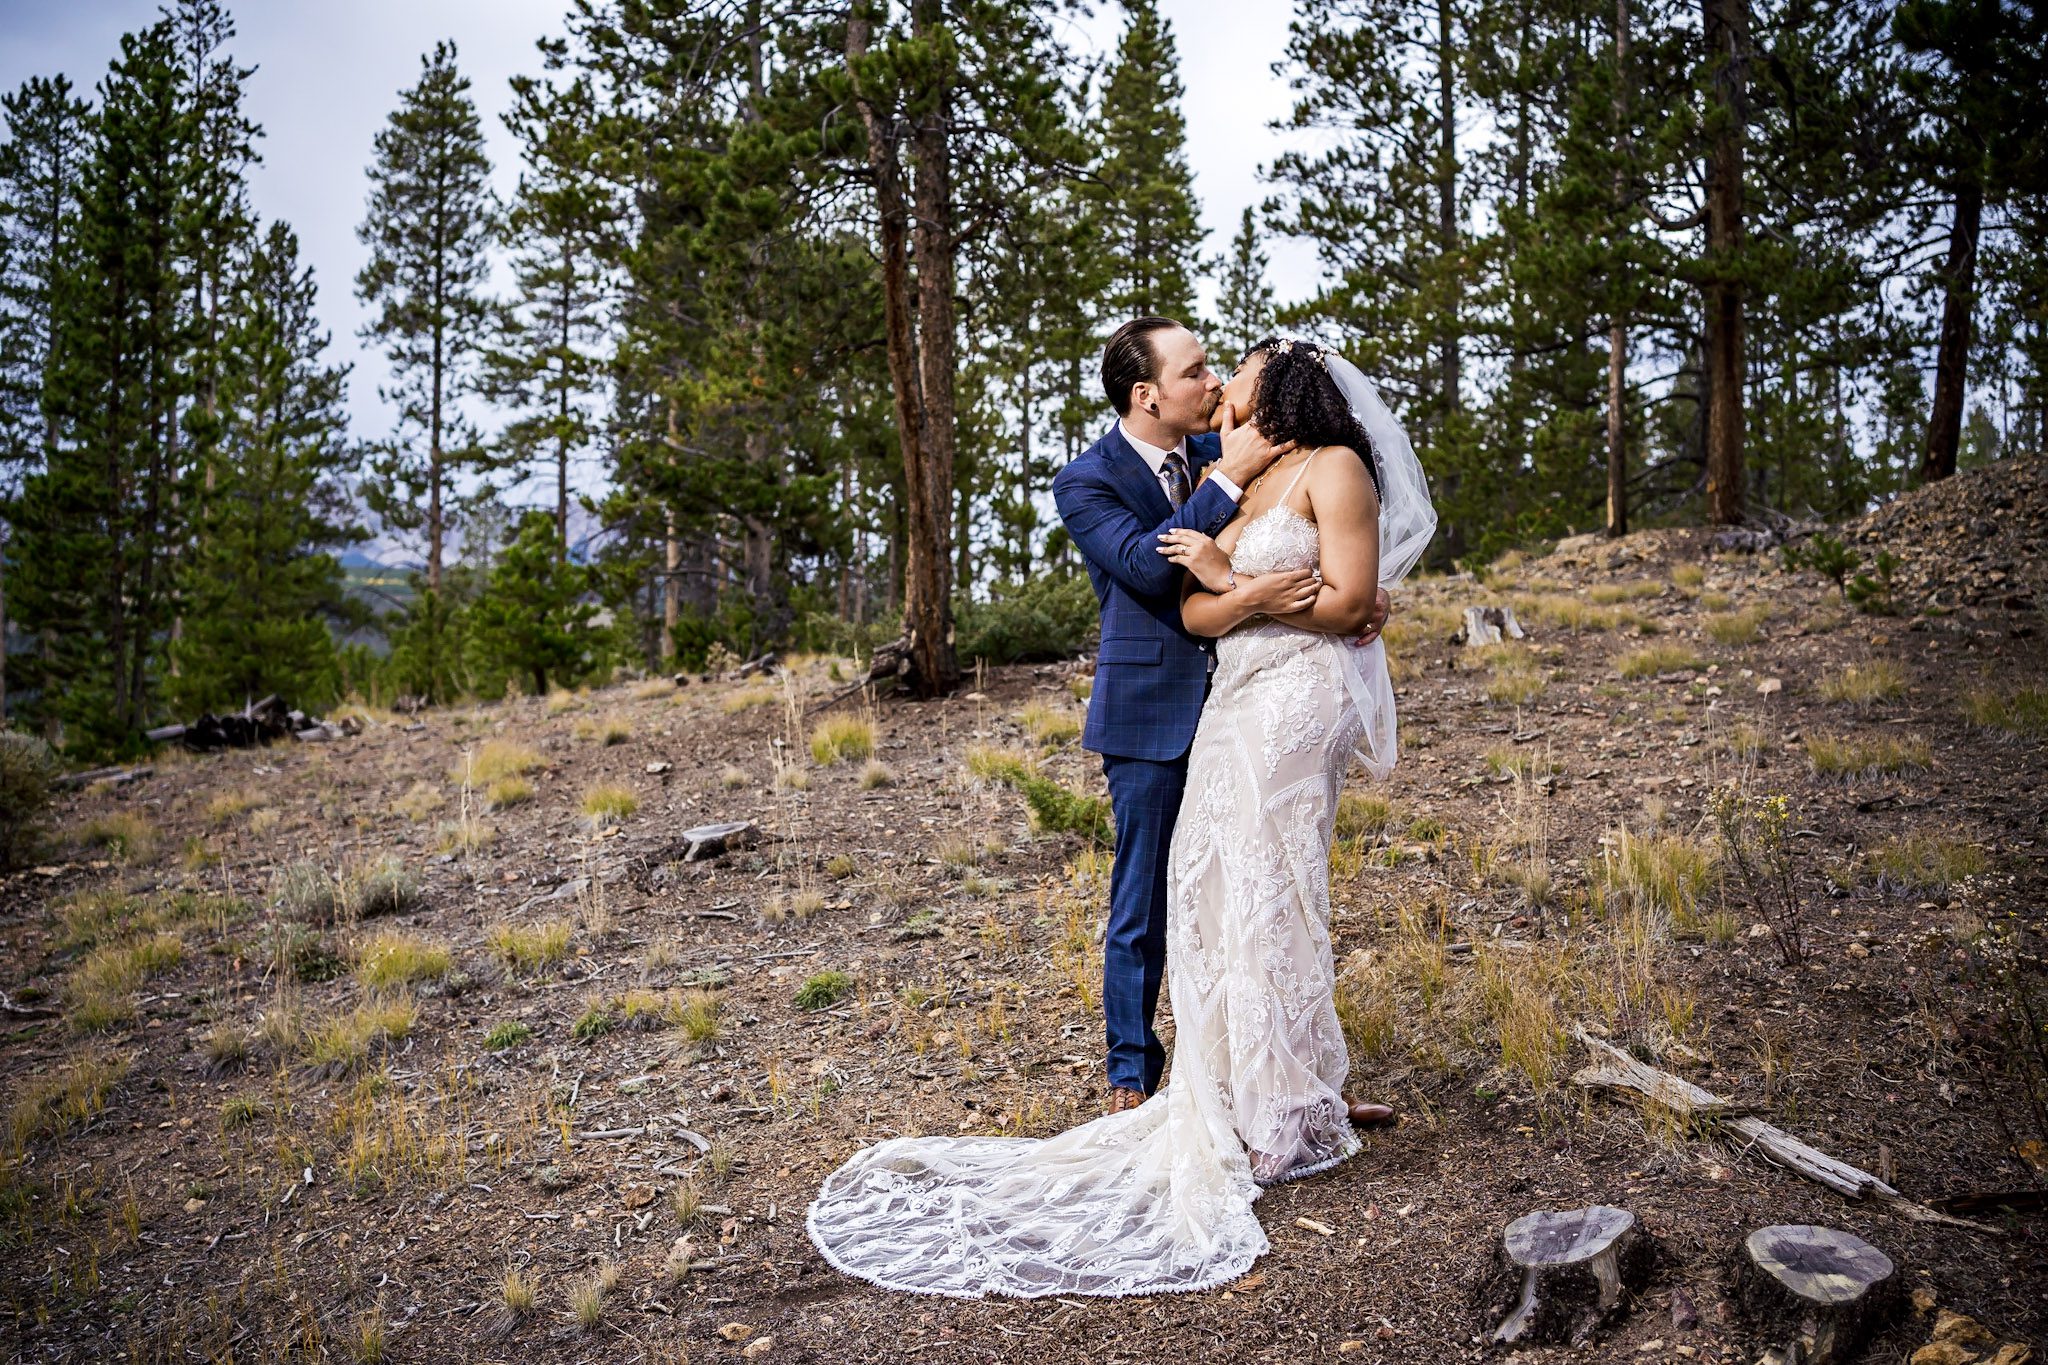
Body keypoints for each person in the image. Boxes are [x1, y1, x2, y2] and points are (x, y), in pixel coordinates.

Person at [804, 328, 1438, 1299]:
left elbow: (1336, 594)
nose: (1214, 384)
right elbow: (1158, 580)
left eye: (1226, 377)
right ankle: (1136, 1078)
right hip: (1161, 714)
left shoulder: (1260, 463)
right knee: (1158, 901)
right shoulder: (1099, 480)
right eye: (1195, 372)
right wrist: (1244, 569)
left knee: (1271, 895)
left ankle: (1295, 1092)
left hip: (1265, 703)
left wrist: (1265, 587)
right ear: (1145, 394)